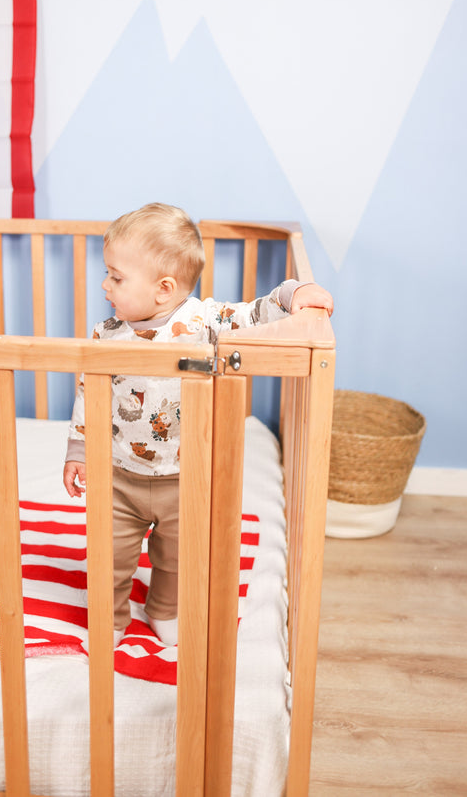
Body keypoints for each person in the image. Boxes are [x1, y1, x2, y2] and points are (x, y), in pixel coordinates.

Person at [63, 203, 333, 648]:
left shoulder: (203, 322)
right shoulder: (106, 334)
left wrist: (292, 293)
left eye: (116, 277)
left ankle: (163, 609)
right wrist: (78, 450)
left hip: (184, 476)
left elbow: (255, 315)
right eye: (107, 274)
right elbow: (86, 394)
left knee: (177, 557)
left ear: (163, 289)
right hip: (119, 475)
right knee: (108, 557)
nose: (104, 285)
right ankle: (109, 619)